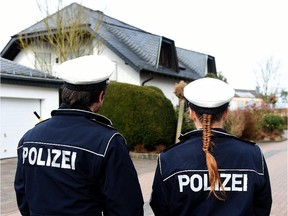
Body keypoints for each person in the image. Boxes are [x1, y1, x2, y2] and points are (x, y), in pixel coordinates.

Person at [14, 55, 144, 216]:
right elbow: (127, 207)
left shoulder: (29, 138)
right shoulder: (107, 142)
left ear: (65, 93)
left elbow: (22, 193)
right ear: (100, 97)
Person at [149, 77, 272, 216]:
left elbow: (161, 208)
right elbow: (263, 206)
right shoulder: (253, 155)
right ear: (226, 113)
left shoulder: (169, 159)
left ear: (191, 113)